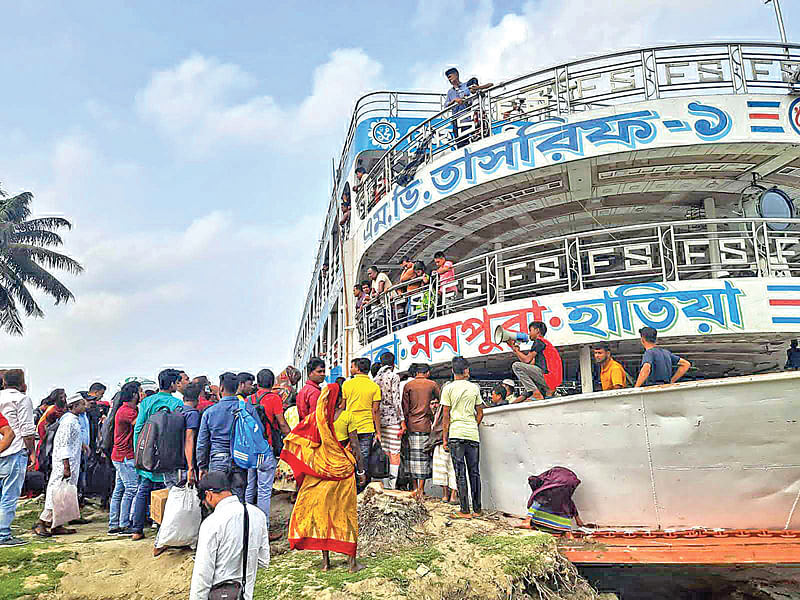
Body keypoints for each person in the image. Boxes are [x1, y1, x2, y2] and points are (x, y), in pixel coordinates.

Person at [281, 384, 366, 573]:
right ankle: (352, 563)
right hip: (343, 470)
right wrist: (361, 471)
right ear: (341, 399)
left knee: (322, 515)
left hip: (320, 471)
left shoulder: (316, 419)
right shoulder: (347, 416)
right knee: (346, 515)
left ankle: (326, 563)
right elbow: (356, 447)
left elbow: (299, 440)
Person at [190, 472, 270, 600]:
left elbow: (202, 574)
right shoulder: (258, 515)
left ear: (208, 495)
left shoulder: (212, 523)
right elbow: (263, 560)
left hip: (219, 595)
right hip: (245, 594)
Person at [130, 368, 185, 541]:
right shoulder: (177, 403)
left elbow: (138, 427)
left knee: (143, 490)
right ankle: (164, 529)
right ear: (171, 384)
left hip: (147, 453)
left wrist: (138, 453)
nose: (178, 384)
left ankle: (137, 530)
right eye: (177, 381)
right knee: (167, 492)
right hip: (168, 455)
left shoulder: (147, 402)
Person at [197, 372, 262, 501]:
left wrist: (202, 466)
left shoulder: (210, 412)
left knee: (218, 501)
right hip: (240, 459)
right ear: (238, 387)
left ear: (221, 388)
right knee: (238, 499)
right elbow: (259, 432)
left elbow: (202, 442)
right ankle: (239, 521)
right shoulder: (248, 409)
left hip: (217, 460)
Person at [33, 394, 86, 537]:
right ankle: (42, 522)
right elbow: (63, 444)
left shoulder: (73, 420)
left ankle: (57, 525)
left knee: (64, 495)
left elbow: (71, 439)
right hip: (64, 464)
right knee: (56, 494)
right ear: (74, 406)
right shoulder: (68, 421)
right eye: (82, 404)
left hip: (71, 463)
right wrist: (66, 466)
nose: (85, 406)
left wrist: (82, 445)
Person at [246, 368, 288, 541]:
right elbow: (282, 423)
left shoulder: (249, 399)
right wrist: (291, 438)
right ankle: (263, 530)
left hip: (249, 451)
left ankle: (246, 526)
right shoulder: (274, 398)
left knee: (249, 487)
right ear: (272, 383)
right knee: (264, 491)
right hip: (266, 448)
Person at [442, 356, 484, 519]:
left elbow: (446, 416)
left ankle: (465, 510)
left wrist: (445, 439)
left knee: (460, 472)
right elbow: (480, 412)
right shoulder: (474, 388)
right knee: (475, 472)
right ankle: (478, 509)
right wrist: (474, 424)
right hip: (472, 434)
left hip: (456, 434)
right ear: (466, 370)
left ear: (453, 371)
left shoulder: (448, 389)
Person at [0, 369, 36, 546]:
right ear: (23, 384)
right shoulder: (22, 399)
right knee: (10, 494)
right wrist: (32, 452)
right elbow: (27, 431)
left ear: (5, 382)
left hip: (1, 449)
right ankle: (3, 534)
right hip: (14, 450)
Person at [108, 381, 141, 535]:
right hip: (125, 456)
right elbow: (139, 423)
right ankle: (125, 524)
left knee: (119, 489)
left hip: (118, 455)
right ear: (134, 394)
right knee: (132, 489)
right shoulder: (127, 411)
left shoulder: (123, 409)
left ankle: (114, 524)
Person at [402, 363, 439, 500]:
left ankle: (414, 487)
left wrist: (404, 424)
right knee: (423, 458)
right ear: (427, 372)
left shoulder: (408, 385)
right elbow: (441, 403)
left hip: (411, 425)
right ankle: (421, 489)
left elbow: (404, 408)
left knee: (412, 458)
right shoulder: (432, 384)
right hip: (426, 425)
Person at [342, 358, 381, 484]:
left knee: (348, 455)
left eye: (352, 366)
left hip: (348, 428)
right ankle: (362, 484)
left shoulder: (347, 385)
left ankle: (349, 483)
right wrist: (378, 432)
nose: (350, 368)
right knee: (363, 457)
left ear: (358, 368)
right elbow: (375, 411)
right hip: (367, 427)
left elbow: (343, 407)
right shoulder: (374, 387)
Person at [373, 352, 404, 489]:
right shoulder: (393, 376)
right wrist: (402, 421)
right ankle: (392, 485)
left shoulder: (375, 379)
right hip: (392, 419)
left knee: (384, 451)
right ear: (393, 363)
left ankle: (384, 485)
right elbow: (396, 400)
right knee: (395, 452)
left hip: (379, 420)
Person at [509, 321, 552, 401]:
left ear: (537, 331)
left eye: (530, 330)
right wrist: (515, 350)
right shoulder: (542, 344)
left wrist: (517, 351)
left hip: (547, 376)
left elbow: (526, 360)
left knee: (516, 365)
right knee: (523, 370)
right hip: (549, 378)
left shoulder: (539, 341)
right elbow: (530, 364)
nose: (529, 334)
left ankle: (536, 393)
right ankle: (540, 393)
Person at [429, 387, 458, 505]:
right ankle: (450, 496)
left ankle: (449, 496)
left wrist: (445, 440)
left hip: (444, 442)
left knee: (447, 469)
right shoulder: (453, 408)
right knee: (449, 469)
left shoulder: (443, 410)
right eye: (432, 403)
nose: (434, 405)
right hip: (448, 441)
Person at [182, 382, 203, 488]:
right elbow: (189, 439)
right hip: (186, 463)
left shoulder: (177, 411)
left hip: (174, 462)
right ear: (197, 398)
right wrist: (191, 467)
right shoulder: (192, 414)